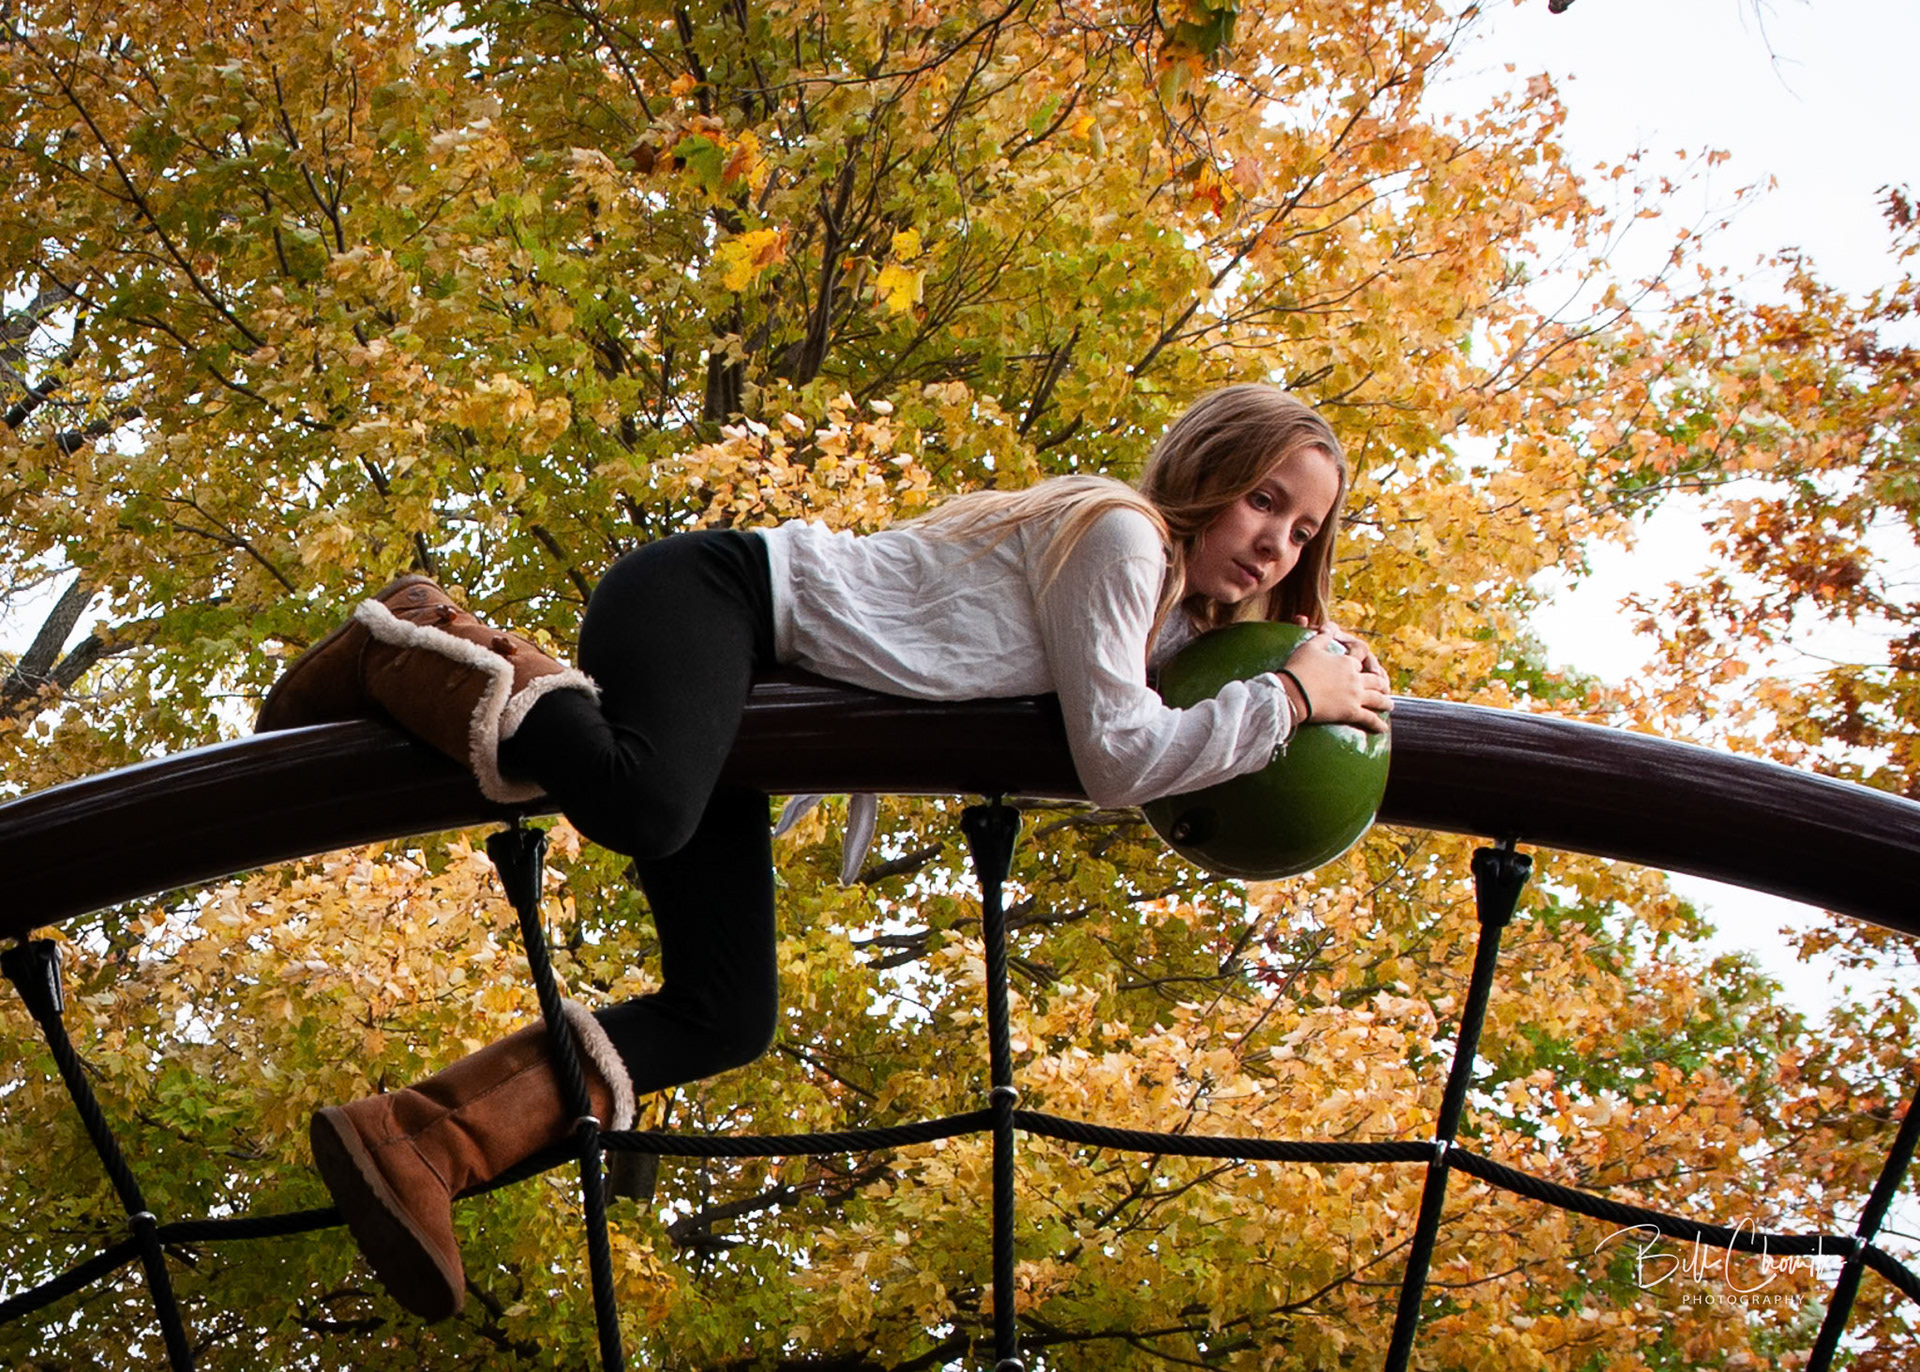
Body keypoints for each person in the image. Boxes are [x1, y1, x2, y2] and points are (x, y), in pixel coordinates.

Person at [256, 382, 1391, 1321]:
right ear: (1204, 468)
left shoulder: (1171, 626)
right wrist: (1293, 695)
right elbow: (1121, 754)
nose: (1274, 542)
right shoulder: (1126, 539)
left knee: (727, 1011)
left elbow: (1191, 705)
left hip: (751, 716)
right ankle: (417, 640)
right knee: (643, 802)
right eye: (1262, 501)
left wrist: (1326, 675)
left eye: (1301, 533)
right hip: (718, 601)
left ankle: (422, 1140)